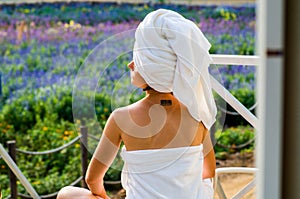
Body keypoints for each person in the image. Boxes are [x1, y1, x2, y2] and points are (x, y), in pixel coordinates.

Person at [57, 9, 217, 199]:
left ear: (152, 71)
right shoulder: (195, 114)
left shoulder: (120, 118)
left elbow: (92, 179)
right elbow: (208, 171)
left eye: (138, 61)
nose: (130, 65)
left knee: (66, 194)